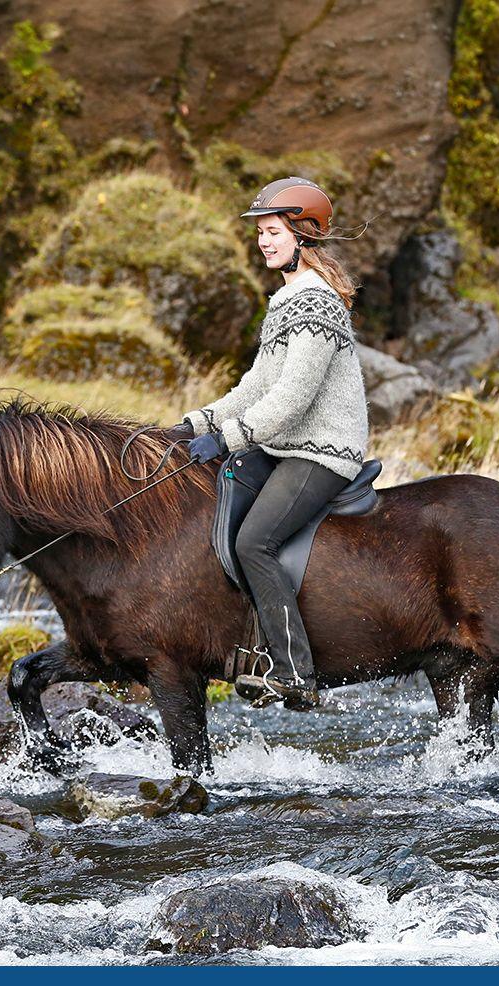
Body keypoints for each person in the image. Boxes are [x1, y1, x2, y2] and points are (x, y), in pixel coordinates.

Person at [168, 178, 369, 710]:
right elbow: (255, 387)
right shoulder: (286, 298)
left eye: (273, 231)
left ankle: (294, 672)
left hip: (320, 451)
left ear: (303, 236)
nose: (263, 241)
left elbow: (293, 398)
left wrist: (227, 437)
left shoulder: (316, 304)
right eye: (260, 232)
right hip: (284, 446)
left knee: (253, 542)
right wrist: (193, 425)